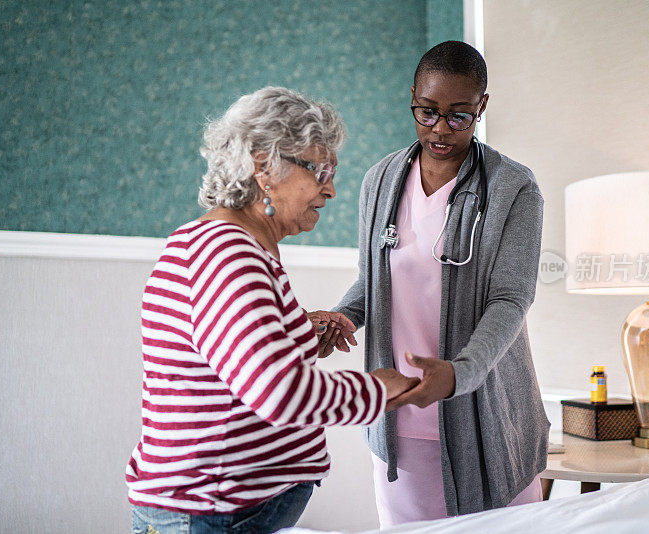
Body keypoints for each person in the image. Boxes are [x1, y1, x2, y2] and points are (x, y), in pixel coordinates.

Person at [125, 86, 418, 534]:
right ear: (264, 167)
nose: (331, 189)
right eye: (319, 170)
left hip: (217, 511)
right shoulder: (229, 255)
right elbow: (278, 391)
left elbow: (232, 357)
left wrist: (300, 329)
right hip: (213, 513)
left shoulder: (223, 245)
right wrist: (383, 390)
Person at [322, 41, 550, 526]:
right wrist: (345, 315)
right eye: (427, 112)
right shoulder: (379, 180)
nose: (440, 129)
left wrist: (460, 373)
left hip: (486, 414)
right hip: (399, 414)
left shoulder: (515, 188)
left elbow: (511, 300)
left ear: (481, 106)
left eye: (459, 116)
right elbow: (374, 278)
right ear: (412, 98)